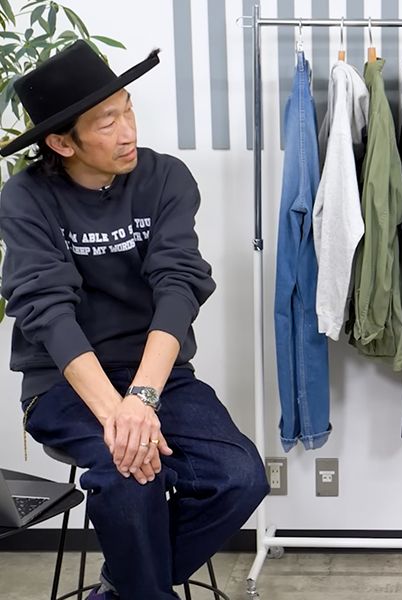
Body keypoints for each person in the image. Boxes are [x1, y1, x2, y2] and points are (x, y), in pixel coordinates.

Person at [0, 41, 268, 599]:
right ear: (61, 142)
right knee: (128, 479)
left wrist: (142, 399)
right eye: (107, 122)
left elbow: (179, 285)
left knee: (240, 477)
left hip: (158, 375)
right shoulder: (25, 197)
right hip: (62, 385)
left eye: (128, 110)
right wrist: (118, 414)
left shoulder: (165, 178)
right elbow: (46, 308)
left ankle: (122, 586)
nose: (129, 132)